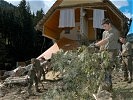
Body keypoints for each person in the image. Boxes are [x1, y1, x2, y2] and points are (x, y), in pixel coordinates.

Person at [94, 18, 119, 91]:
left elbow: (106, 40)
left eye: (105, 26)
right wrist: (100, 52)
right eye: (103, 26)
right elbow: (102, 42)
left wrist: (95, 44)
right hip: (105, 52)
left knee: (107, 69)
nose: (104, 28)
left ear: (109, 24)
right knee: (104, 69)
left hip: (112, 51)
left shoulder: (115, 32)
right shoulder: (104, 32)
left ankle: (107, 88)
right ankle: (108, 87)